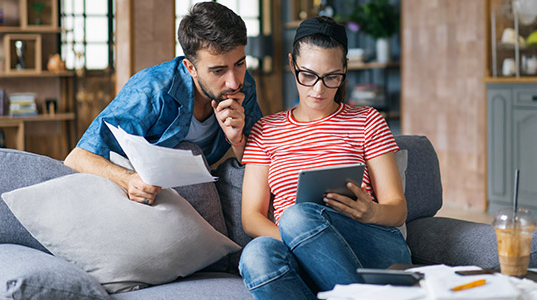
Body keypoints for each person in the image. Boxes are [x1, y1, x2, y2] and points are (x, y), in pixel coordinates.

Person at [238, 16, 411, 299]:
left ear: (344, 69)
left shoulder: (367, 120)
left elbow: (397, 208)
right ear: (292, 63)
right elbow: (251, 217)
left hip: (370, 242)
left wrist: (373, 212)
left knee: (295, 217)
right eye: (308, 75)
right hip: (296, 244)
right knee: (257, 254)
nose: (318, 90)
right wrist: (301, 244)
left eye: (332, 77)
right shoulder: (265, 130)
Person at [64, 2, 262, 205]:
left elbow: (261, 158)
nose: (234, 81)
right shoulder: (152, 89)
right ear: (190, 68)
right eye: (218, 71)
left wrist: (237, 140)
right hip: (145, 189)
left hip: (200, 182)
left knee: (244, 175)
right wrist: (128, 179)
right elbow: (78, 157)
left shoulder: (243, 85)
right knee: (187, 151)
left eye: (239, 64)